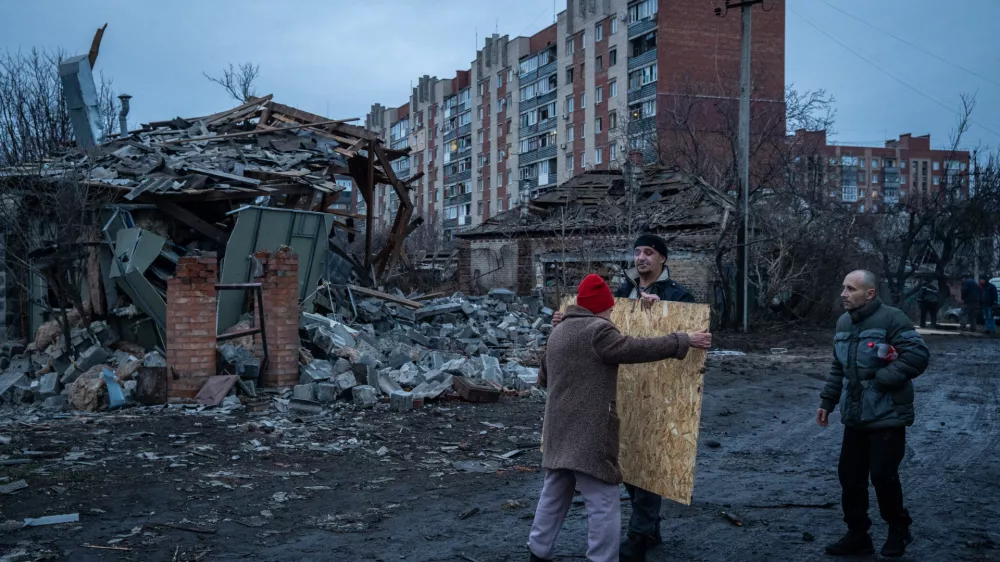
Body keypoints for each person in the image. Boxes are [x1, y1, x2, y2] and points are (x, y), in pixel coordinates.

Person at [528, 274, 712, 562]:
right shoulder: (598, 331)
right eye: (610, 308)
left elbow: (543, 378)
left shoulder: (558, 332)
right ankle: (602, 559)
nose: (612, 313)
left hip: (557, 432)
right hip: (588, 436)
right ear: (601, 307)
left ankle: (537, 553)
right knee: (603, 503)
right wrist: (682, 339)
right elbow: (635, 348)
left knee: (553, 496)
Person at [817, 270, 929, 558]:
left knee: (883, 476)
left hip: (887, 414)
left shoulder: (893, 318)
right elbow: (837, 368)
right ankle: (858, 535)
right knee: (850, 477)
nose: (843, 294)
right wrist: (827, 401)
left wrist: (880, 381)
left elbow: (917, 356)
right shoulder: (843, 322)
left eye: (851, 289)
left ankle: (898, 529)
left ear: (869, 294)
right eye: (843, 287)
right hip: (855, 414)